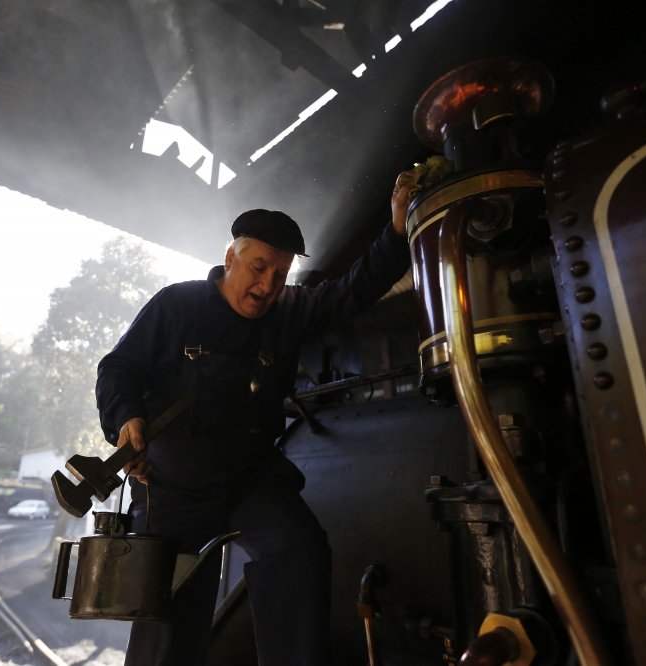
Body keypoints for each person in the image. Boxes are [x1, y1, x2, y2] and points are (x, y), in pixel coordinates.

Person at [95, 171, 418, 666]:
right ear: (231, 258)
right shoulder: (176, 305)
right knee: (169, 626)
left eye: (279, 273)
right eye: (258, 267)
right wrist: (126, 419)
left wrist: (396, 232)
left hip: (250, 479)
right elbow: (119, 369)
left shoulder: (291, 311)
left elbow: (353, 290)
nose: (267, 285)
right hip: (174, 485)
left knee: (299, 549)